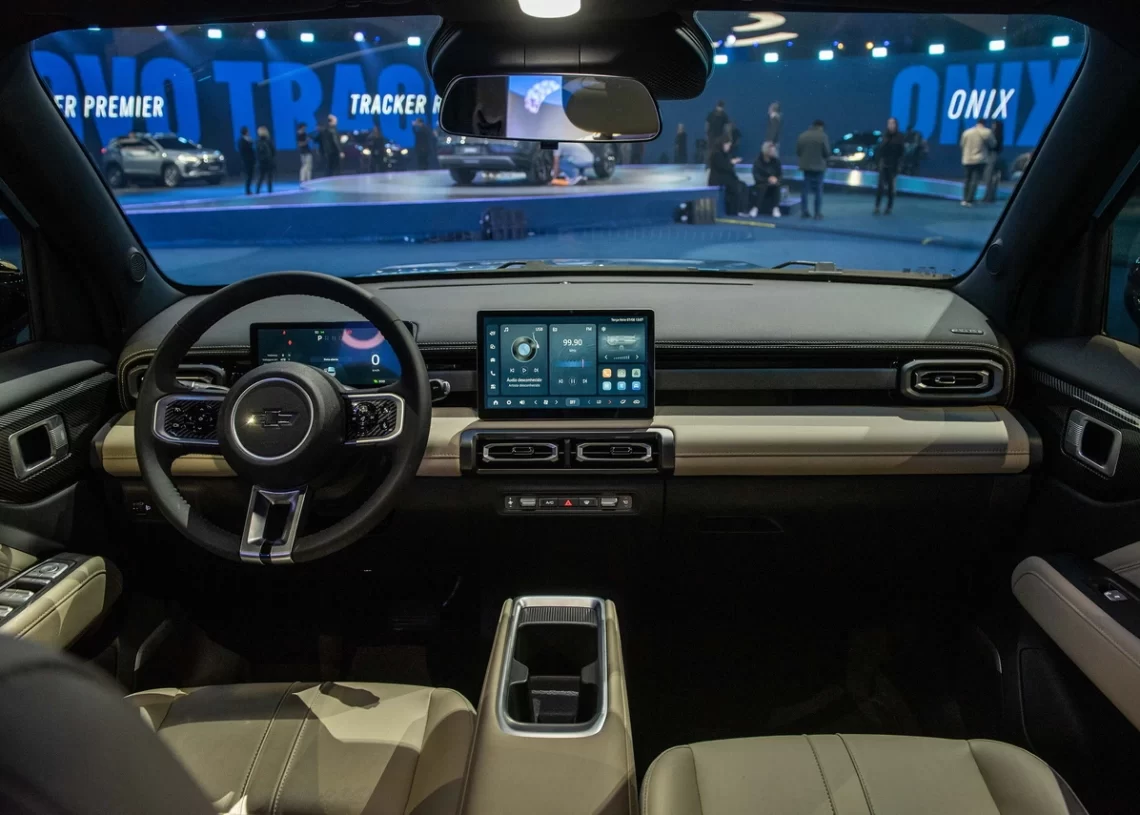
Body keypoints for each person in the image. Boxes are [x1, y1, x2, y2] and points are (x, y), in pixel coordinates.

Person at [796, 119, 829, 220]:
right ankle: (817, 213)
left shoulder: (802, 135)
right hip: (819, 167)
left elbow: (798, 151)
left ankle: (804, 211)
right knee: (818, 190)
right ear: (821, 126)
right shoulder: (823, 136)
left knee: (805, 190)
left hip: (806, 167)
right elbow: (827, 152)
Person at [873, 117, 905, 215]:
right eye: (889, 123)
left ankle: (889, 207)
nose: (890, 125)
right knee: (880, 187)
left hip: (893, 165)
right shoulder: (884, 136)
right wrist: (879, 162)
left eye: (892, 123)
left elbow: (901, 152)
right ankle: (877, 206)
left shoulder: (899, 137)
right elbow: (880, 150)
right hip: (883, 164)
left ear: (896, 125)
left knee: (891, 188)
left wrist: (899, 165)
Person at [959, 118, 993, 207]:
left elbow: (962, 144)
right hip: (979, 159)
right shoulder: (987, 132)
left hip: (967, 159)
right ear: (984, 123)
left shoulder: (967, 132)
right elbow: (993, 144)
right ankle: (970, 199)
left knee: (967, 179)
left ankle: (964, 199)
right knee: (975, 179)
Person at [708, 137, 746, 215]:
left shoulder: (726, 154)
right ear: (723, 144)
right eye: (728, 145)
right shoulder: (716, 154)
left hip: (726, 178)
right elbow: (723, 167)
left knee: (742, 185)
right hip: (718, 179)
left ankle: (741, 210)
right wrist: (732, 162)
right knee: (735, 186)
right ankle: (734, 211)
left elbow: (728, 168)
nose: (729, 147)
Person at [749, 141, 782, 218]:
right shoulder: (758, 161)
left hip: (773, 183)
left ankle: (775, 208)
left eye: (774, 150)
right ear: (766, 151)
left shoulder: (776, 161)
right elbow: (756, 176)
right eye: (771, 151)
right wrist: (767, 179)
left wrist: (776, 179)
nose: (773, 152)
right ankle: (755, 208)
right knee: (763, 187)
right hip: (761, 183)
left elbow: (780, 174)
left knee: (777, 186)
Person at [983, 119, 1005, 203]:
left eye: (994, 124)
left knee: (989, 177)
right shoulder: (998, 135)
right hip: (993, 156)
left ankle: (989, 196)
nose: (992, 126)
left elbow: (994, 146)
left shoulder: (995, 136)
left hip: (991, 157)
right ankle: (990, 196)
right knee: (991, 178)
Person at [254, 125, 275, 193]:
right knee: (269, 177)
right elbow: (273, 151)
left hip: (261, 162)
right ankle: (270, 190)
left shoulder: (257, 142)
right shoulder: (268, 141)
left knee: (261, 176)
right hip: (268, 161)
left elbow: (257, 153)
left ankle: (257, 190)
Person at [237, 126, 256, 195]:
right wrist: (250, 143)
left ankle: (249, 189)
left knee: (251, 175)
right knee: (248, 175)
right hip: (246, 160)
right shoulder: (241, 140)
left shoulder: (249, 139)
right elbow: (244, 150)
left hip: (251, 160)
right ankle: (247, 190)